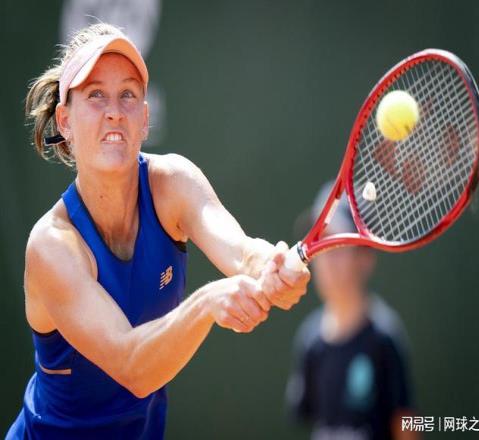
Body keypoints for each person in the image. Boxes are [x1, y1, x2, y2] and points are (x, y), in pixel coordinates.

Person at [7, 23, 310, 439]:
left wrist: (271, 268)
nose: (114, 110)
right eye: (95, 95)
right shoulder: (52, 246)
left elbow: (242, 253)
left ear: (145, 119)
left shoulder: (173, 183)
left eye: (128, 95)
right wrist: (207, 304)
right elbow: (132, 366)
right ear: (65, 120)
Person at [286, 184, 418, 440]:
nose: (325, 258)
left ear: (365, 258)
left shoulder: (385, 339)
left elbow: (405, 426)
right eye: (320, 244)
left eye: (337, 244)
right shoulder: (309, 340)